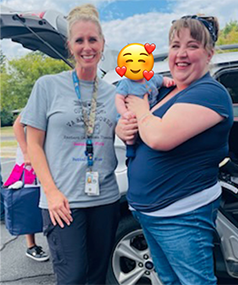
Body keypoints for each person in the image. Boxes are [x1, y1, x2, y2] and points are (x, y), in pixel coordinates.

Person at [116, 15, 233, 285]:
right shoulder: (169, 91)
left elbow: (158, 137)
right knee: (169, 280)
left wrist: (140, 108)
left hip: (181, 215)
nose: (181, 54)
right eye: (175, 45)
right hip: (150, 213)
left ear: (209, 54)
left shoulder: (209, 93)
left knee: (195, 282)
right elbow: (140, 129)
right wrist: (124, 131)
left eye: (192, 46)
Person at [21, 4, 120, 285]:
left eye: (93, 40)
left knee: (97, 277)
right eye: (79, 40)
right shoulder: (48, 86)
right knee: (73, 277)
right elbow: (34, 143)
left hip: (106, 199)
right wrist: (51, 193)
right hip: (63, 202)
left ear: (102, 44)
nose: (87, 47)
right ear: (69, 45)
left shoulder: (115, 93)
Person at [13, 115, 49, 262]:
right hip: (31, 156)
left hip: (48, 153)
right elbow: (17, 125)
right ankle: (31, 245)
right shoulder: (40, 96)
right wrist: (26, 152)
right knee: (30, 199)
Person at [115, 74, 175, 157]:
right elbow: (119, 99)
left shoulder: (151, 78)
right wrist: (124, 112)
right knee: (130, 130)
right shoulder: (125, 84)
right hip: (130, 114)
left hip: (148, 110)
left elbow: (162, 80)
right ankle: (130, 146)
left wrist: (168, 81)